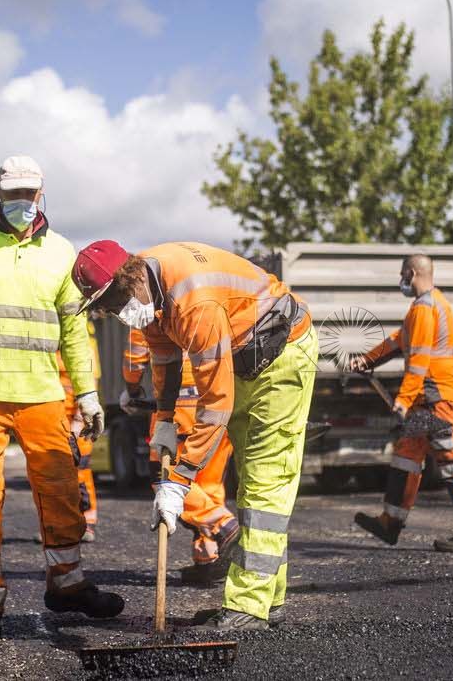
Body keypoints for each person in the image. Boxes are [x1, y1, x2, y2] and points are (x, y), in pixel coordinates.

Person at [0, 155, 124, 648]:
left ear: (42, 194)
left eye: (29, 194)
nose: (22, 203)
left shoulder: (61, 253)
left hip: (42, 395)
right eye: (13, 195)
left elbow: (74, 330)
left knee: (59, 493)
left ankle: (67, 583)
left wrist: (89, 393)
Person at [72, 240, 317, 631]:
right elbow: (166, 365)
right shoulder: (152, 296)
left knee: (265, 480)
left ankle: (249, 606)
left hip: (281, 355)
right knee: (253, 481)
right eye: (107, 308)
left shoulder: (193, 302)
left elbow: (215, 405)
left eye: (115, 301)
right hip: (249, 355)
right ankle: (268, 598)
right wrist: (165, 422)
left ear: (130, 278)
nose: (116, 313)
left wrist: (179, 481)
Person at [348, 254, 453, 553]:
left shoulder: (426, 308)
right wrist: (367, 359)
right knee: (407, 455)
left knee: (451, 459)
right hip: (429, 399)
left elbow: (419, 361)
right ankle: (390, 523)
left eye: (402, 275)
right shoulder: (426, 307)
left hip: (434, 398)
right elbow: (399, 341)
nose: (401, 281)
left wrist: (402, 400)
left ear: (412, 273)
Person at [122, 327, 239, 585]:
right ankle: (209, 561)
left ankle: (224, 526)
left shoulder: (152, 300)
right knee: (208, 484)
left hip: (179, 406)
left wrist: (132, 388)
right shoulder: (215, 295)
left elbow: (137, 351)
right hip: (220, 403)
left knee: (165, 478)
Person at [57, 322, 100, 543]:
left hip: (76, 419)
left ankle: (87, 522)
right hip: (56, 420)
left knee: (79, 470)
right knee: (54, 474)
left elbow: (89, 382)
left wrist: (78, 420)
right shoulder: (54, 340)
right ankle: (63, 524)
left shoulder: (81, 335)